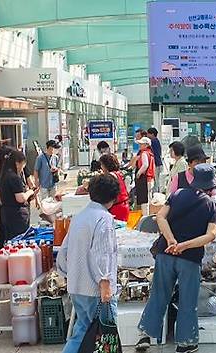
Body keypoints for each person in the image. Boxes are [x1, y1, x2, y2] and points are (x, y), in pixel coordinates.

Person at [137, 164, 216, 353]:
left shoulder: (178, 194)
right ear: (211, 186)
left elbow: (160, 217)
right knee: (187, 300)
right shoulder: (212, 205)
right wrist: (185, 245)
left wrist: (171, 239)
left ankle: (145, 335)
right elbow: (211, 235)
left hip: (165, 254)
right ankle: (186, 342)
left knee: (159, 294)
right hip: (189, 259)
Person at [57, 174, 120, 353]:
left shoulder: (79, 216)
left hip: (77, 286)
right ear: (113, 197)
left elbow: (64, 250)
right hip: (95, 289)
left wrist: (67, 274)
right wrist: (105, 284)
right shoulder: (104, 219)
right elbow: (102, 254)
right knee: (104, 335)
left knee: (82, 330)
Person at [0, 149, 37, 247]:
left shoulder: (3, 175)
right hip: (17, 215)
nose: (22, 169)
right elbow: (20, 198)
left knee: (10, 242)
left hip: (6, 213)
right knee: (18, 242)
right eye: (22, 166)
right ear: (17, 163)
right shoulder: (14, 177)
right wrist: (30, 192)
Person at [99, 154, 130, 222]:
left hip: (117, 208)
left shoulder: (110, 176)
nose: (101, 167)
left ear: (106, 165)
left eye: (102, 164)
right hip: (124, 205)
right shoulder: (118, 173)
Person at [135, 137, 155, 216]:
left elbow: (145, 165)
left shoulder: (144, 153)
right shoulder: (150, 153)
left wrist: (138, 173)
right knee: (148, 199)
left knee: (144, 201)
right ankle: (149, 216)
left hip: (144, 179)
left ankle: (145, 217)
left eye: (141, 144)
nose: (140, 145)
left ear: (146, 145)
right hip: (150, 179)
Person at [147, 127, 163, 192]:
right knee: (157, 180)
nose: (147, 135)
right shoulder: (157, 140)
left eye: (148, 134)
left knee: (156, 181)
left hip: (156, 164)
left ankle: (156, 194)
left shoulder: (152, 142)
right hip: (158, 163)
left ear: (152, 134)